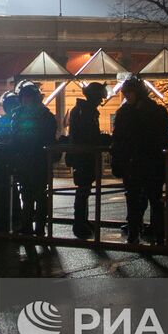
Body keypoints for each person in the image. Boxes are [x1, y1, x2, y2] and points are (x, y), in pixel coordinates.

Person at [110, 76, 168, 245]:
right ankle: (156, 235)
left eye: (128, 93)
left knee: (137, 198)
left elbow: (119, 139)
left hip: (138, 162)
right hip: (149, 162)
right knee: (153, 199)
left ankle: (137, 232)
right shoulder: (156, 111)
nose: (126, 96)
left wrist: (117, 160)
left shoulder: (126, 113)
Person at [11, 81, 58, 235]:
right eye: (25, 97)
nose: (26, 100)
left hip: (37, 160)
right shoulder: (21, 114)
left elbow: (47, 137)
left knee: (38, 194)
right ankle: (29, 225)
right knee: (28, 194)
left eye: (29, 97)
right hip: (27, 159)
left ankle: (38, 227)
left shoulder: (42, 115)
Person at [66, 81, 110, 240]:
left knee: (84, 190)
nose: (101, 101)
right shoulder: (86, 112)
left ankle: (82, 221)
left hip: (82, 156)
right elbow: (88, 136)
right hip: (84, 156)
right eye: (100, 98)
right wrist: (105, 139)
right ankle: (79, 224)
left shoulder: (83, 110)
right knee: (83, 190)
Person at [0, 90, 22, 233]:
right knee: (15, 188)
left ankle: (13, 215)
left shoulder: (6, 119)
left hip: (9, 158)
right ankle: (18, 216)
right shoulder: (15, 118)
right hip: (13, 158)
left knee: (12, 187)